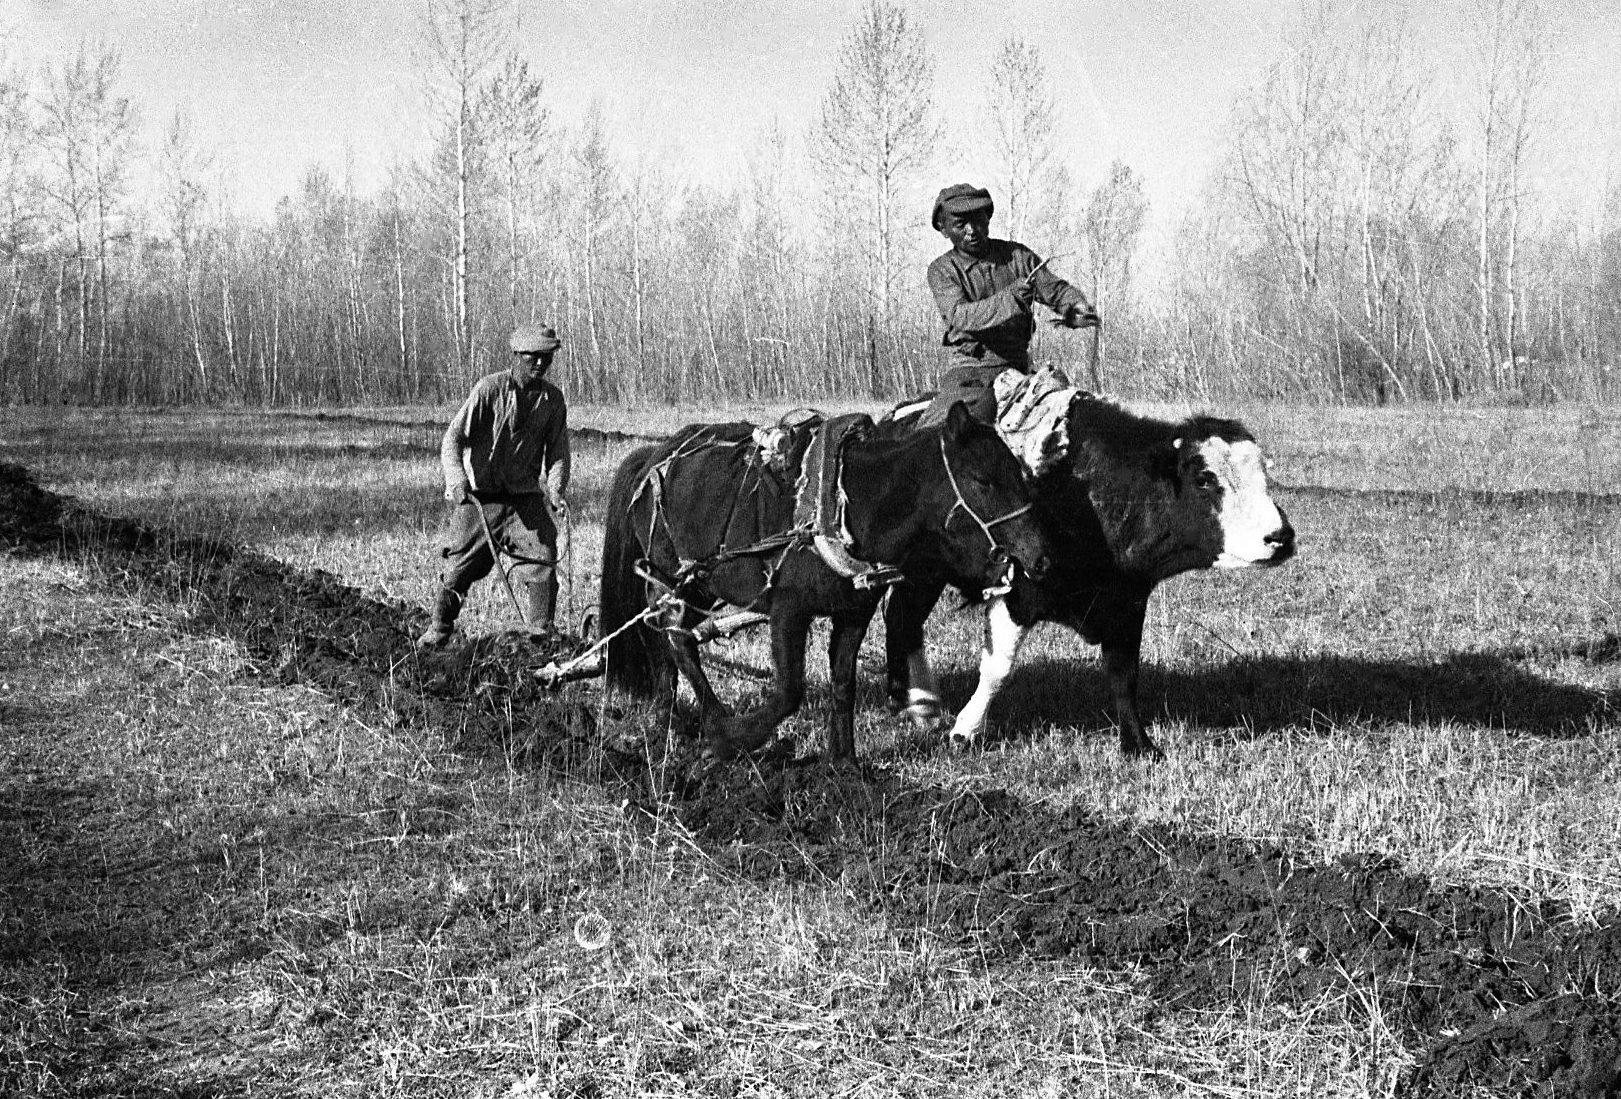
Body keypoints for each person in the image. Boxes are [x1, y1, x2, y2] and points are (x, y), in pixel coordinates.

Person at [417, 324, 572, 648]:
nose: (541, 364)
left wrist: (556, 489)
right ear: (516, 356)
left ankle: (539, 637)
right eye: (533, 357)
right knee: (459, 567)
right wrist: (457, 481)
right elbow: (453, 439)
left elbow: (558, 452)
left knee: (543, 557)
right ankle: (440, 628)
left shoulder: (552, 401)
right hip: (481, 498)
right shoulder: (489, 390)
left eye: (547, 357)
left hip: (524, 499)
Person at [922, 183, 1099, 423]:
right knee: (952, 432)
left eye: (979, 220)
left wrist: (1075, 306)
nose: (972, 230)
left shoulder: (1017, 257)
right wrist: (1012, 297)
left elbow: (1054, 290)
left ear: (988, 219)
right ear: (944, 229)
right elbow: (961, 316)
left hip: (1017, 367)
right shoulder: (942, 270)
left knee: (1070, 416)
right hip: (970, 371)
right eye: (960, 224)